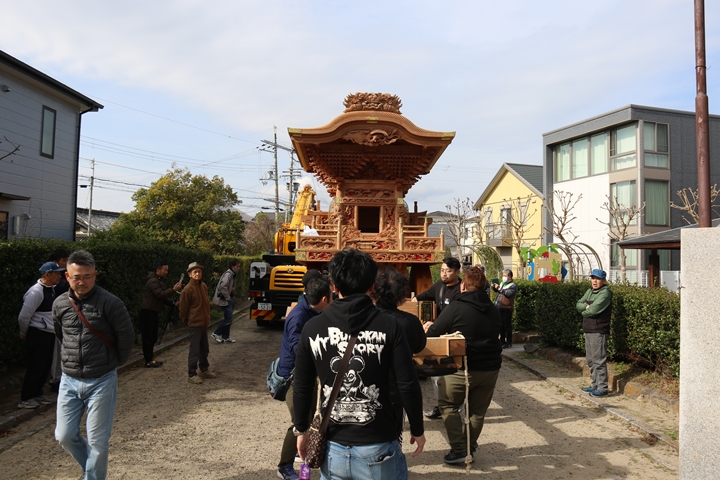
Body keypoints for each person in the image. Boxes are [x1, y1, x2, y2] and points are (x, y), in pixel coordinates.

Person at [294, 248, 426, 479]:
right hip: (377, 443)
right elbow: (407, 383)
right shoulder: (389, 326)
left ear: (334, 286)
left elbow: (303, 385)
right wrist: (417, 427)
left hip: (332, 445)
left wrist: (301, 429)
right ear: (371, 286)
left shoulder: (312, 328)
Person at [53, 250, 135, 480]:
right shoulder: (60, 304)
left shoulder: (111, 303)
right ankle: (91, 469)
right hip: (69, 379)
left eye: (87, 276)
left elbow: (127, 337)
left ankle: (93, 476)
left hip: (101, 380)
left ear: (95, 275)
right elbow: (61, 334)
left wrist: (113, 362)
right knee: (64, 435)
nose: (82, 282)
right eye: (76, 277)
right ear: (67, 276)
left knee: (98, 441)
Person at [424, 266, 502, 465]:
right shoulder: (494, 309)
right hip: (490, 368)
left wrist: (429, 327)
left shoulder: (456, 307)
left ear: (463, 286)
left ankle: (459, 449)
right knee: (477, 411)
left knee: (448, 405)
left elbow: (432, 334)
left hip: (462, 368)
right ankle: (470, 447)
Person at [276, 273, 333, 480]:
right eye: (332, 296)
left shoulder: (313, 311)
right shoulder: (299, 317)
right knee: (299, 423)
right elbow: (296, 348)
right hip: (293, 377)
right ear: (324, 299)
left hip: (306, 374)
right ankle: (284, 465)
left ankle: (304, 457)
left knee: (309, 419)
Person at [372, 267, 427, 438]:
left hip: (366, 387)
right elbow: (419, 346)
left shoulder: (363, 319)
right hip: (395, 389)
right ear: (401, 294)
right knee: (393, 436)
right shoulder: (410, 322)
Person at [412, 257, 462, 420]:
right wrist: (413, 302)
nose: (444, 274)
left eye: (448, 271)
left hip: (455, 337)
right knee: (436, 374)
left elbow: (456, 316)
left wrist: (434, 325)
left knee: (455, 374)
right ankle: (442, 406)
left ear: (457, 272)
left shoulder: (461, 290)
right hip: (439, 334)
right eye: (442, 270)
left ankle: (455, 407)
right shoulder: (439, 286)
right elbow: (423, 296)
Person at [17, 261, 66, 409]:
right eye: (56, 273)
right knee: (36, 365)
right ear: (47, 274)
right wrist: (24, 332)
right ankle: (26, 398)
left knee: (45, 366)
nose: (59, 276)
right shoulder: (36, 292)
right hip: (38, 333)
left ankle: (37, 393)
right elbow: (24, 316)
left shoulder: (51, 290)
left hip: (49, 333)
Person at [576, 268, 613, 397]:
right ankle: (595, 385)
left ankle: (602, 388)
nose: (595, 281)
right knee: (591, 360)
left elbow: (593, 310)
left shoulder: (605, 293)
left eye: (598, 279)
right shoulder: (589, 291)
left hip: (599, 330)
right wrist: (586, 307)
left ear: (604, 281)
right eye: (593, 278)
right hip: (589, 329)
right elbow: (578, 304)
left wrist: (585, 309)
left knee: (599, 360)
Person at [139, 261, 183, 368]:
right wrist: (174, 290)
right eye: (165, 270)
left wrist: (173, 303)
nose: (166, 272)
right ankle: (148, 360)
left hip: (153, 312)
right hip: (148, 312)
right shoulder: (153, 281)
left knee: (153, 336)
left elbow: (162, 298)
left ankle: (150, 358)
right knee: (148, 337)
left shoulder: (158, 281)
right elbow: (160, 294)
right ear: (158, 270)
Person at [179, 262, 216, 384]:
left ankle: (204, 370)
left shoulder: (203, 286)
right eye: (195, 272)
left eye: (199, 271)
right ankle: (192, 374)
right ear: (189, 274)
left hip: (204, 323)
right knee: (194, 350)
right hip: (194, 324)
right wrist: (187, 321)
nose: (198, 274)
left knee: (204, 348)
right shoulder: (187, 290)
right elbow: (183, 309)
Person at [48, 248, 70, 393]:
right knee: (57, 350)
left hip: (66, 316)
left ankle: (62, 376)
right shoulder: (56, 279)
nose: (66, 263)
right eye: (64, 260)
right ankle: (56, 379)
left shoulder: (63, 276)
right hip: (55, 318)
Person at [211, 259, 241, 344]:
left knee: (228, 318)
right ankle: (216, 333)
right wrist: (228, 298)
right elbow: (223, 287)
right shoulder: (228, 274)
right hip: (225, 300)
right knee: (229, 319)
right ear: (232, 266)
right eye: (237, 266)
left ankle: (226, 337)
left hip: (228, 299)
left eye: (239, 266)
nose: (239, 268)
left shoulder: (232, 274)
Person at [491, 269, 517, 349]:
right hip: (499, 307)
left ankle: (508, 342)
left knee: (507, 326)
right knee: (500, 326)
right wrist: (494, 287)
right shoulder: (502, 283)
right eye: (503, 275)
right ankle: (502, 341)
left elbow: (508, 293)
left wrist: (499, 288)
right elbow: (499, 292)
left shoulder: (513, 286)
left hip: (507, 308)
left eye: (505, 276)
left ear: (510, 277)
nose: (503, 277)